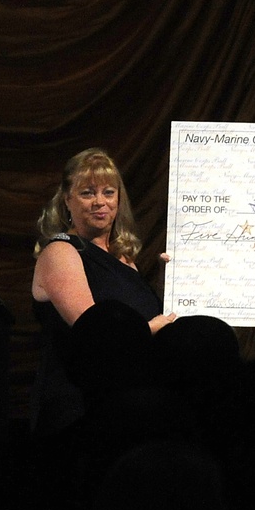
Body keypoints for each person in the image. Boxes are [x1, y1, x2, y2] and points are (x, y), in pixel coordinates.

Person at [30, 147, 175, 437]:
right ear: (67, 200)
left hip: (126, 404)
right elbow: (97, 336)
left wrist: (171, 283)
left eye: (108, 192)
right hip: (79, 411)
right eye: (87, 193)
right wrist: (157, 327)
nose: (100, 202)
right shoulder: (62, 251)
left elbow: (132, 316)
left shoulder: (123, 257)